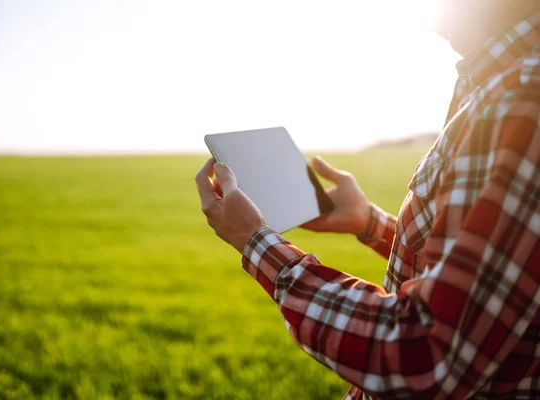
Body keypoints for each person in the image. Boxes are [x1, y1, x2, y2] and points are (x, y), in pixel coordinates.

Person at [195, 1, 540, 398]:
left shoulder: (521, 99)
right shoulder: (496, 85)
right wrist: (369, 223)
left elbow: (426, 355)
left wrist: (257, 243)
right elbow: (488, 270)